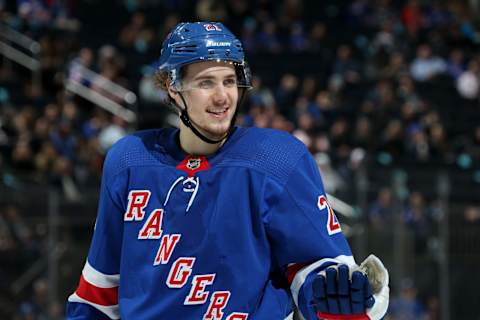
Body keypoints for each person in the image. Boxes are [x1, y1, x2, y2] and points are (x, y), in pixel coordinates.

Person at [66, 22, 389, 320]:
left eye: (229, 81)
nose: (223, 97)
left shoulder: (276, 159)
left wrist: (345, 297)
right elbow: (99, 291)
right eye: (206, 82)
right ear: (171, 87)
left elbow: (320, 269)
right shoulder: (129, 160)